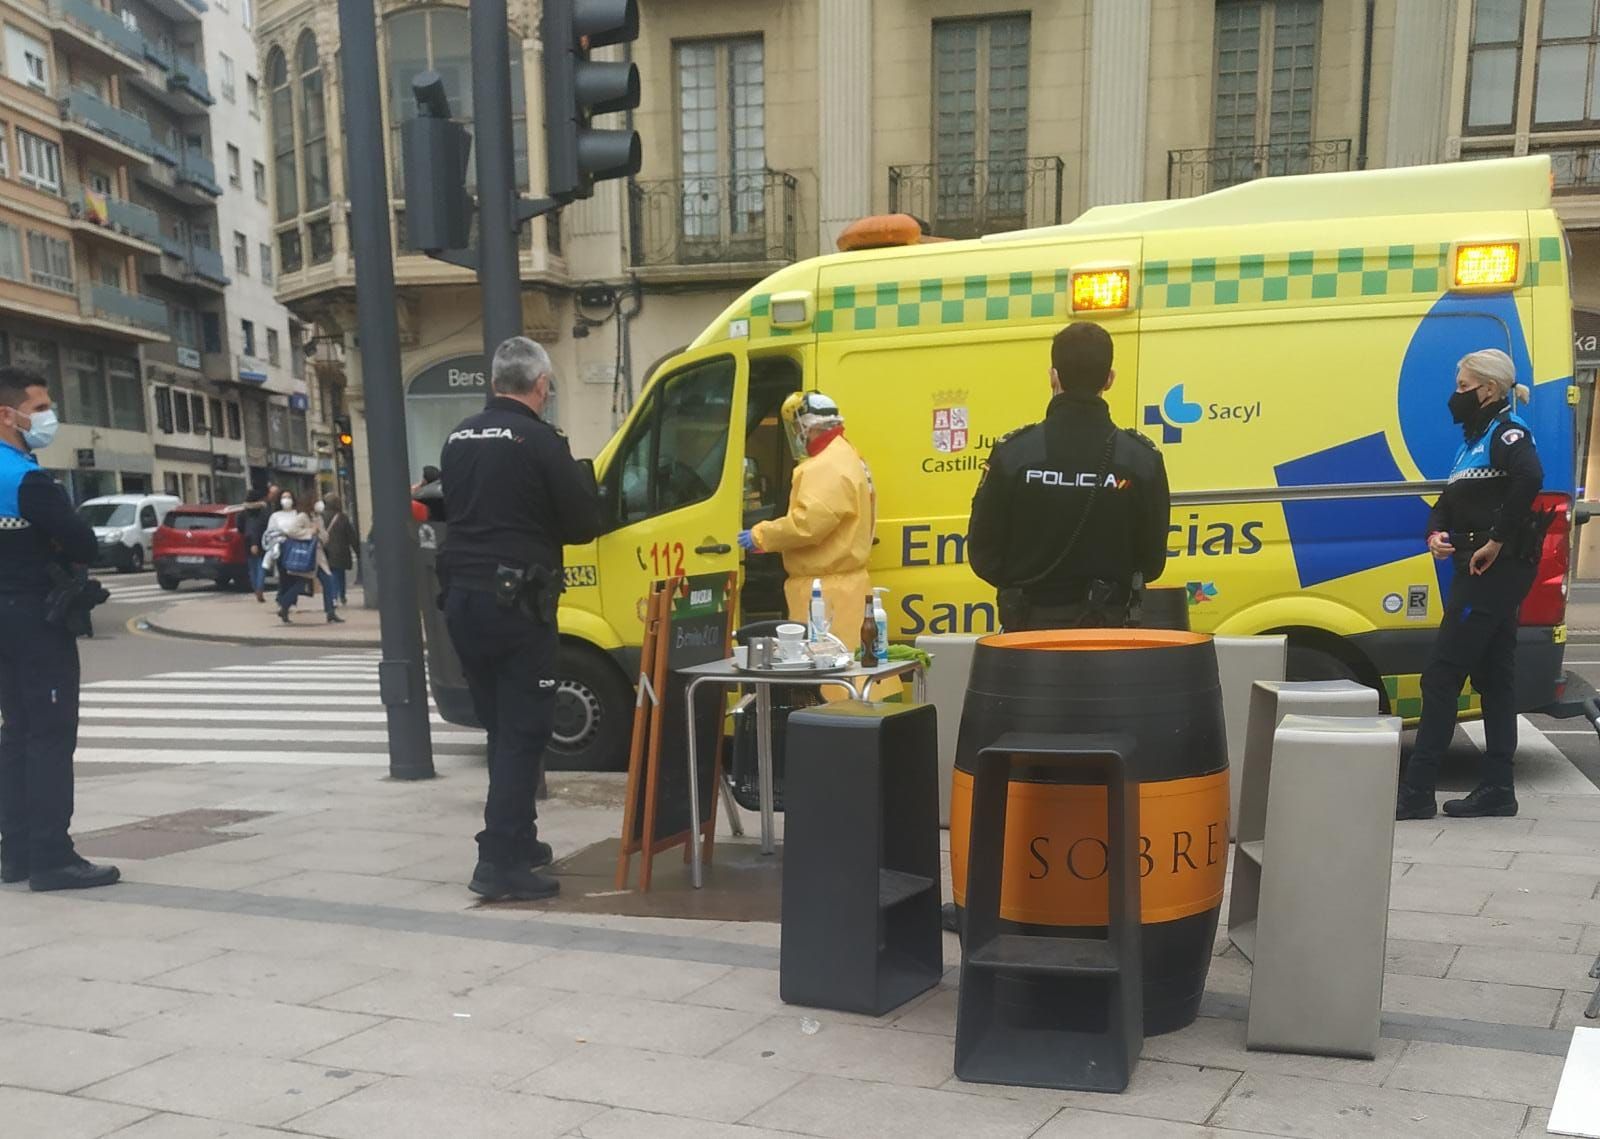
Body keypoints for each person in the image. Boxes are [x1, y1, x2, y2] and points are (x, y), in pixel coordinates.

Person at [440, 336, 602, 902]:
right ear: (540, 386)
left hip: (462, 602)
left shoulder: (458, 437)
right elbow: (583, 523)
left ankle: (522, 839)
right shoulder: (539, 440)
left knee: (498, 727)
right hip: (517, 606)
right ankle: (498, 861)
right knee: (523, 732)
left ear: (493, 384)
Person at [1397, 349, 1545, 821]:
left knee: (1441, 675)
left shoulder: (1507, 433)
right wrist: (1435, 535)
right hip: (1478, 568)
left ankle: (1418, 792)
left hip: (1492, 571)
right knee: (1495, 678)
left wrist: (1498, 540)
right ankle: (1499, 788)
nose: (1455, 395)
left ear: (1488, 390)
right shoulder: (1471, 444)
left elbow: (1531, 477)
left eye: (1463, 387)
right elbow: (1444, 503)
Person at [967, 322, 1170, 631]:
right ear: (1109, 379)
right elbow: (1152, 563)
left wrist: (1026, 588)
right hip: (1107, 636)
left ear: (1053, 376)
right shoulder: (1141, 459)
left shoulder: (1014, 454)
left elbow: (982, 552)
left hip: (1027, 635)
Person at [0, 367, 119, 891]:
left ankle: (15, 853)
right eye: (40, 406)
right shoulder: (25, 478)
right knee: (49, 734)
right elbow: (83, 543)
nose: (46, 417)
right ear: (9, 414)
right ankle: (52, 856)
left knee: (16, 733)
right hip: (35, 619)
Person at [739, 391, 877, 652]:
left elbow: (808, 524)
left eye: (797, 428)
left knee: (825, 674)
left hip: (825, 594)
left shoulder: (824, 467)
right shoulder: (848, 455)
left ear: (808, 427)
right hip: (844, 589)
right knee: (855, 665)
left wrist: (760, 536)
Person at [262, 490, 340, 624]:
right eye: (315, 501)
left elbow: (323, 536)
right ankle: (284, 605)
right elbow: (292, 532)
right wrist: (310, 532)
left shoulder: (317, 517)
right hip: (307, 556)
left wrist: (321, 535)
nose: (318, 504)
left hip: (318, 556)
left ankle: (330, 612)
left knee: (328, 580)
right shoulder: (302, 516)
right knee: (300, 584)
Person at [242, 482, 280, 602]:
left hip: (247, 540)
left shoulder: (244, 511)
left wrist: (245, 534)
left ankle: (256, 588)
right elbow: (260, 526)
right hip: (260, 539)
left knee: (252, 567)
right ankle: (259, 588)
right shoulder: (263, 511)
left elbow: (240, 525)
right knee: (261, 566)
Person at [320, 494, 356, 606]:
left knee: (330, 573)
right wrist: (357, 550)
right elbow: (351, 536)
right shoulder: (342, 517)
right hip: (341, 551)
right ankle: (342, 595)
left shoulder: (321, 517)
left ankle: (333, 596)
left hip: (325, 550)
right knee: (339, 574)